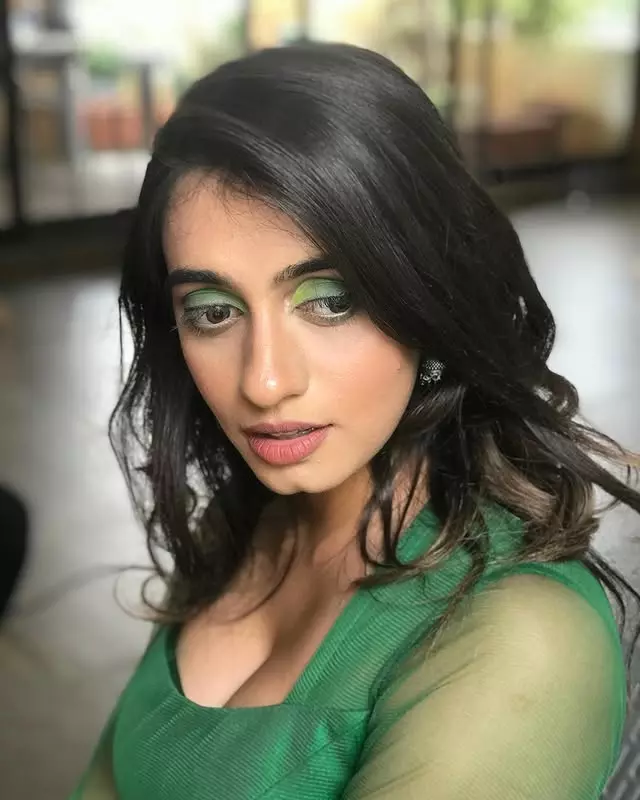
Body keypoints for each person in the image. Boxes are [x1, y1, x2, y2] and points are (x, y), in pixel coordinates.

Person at [70, 43, 639, 799]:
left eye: (331, 301)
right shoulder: (241, 527)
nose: (265, 381)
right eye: (212, 310)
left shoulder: (521, 639)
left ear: (428, 299)